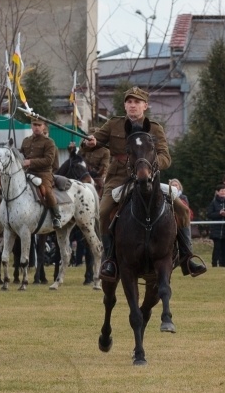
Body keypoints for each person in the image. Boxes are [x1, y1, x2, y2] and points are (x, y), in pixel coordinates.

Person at [81, 86, 205, 280]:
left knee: (181, 209)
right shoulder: (113, 125)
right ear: (124, 105)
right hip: (118, 178)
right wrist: (88, 143)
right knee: (103, 212)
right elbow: (93, 143)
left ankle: (188, 257)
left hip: (147, 178)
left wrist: (150, 165)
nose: (132, 105)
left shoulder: (155, 128)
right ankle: (110, 260)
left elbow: (165, 156)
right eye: (129, 102)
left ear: (145, 106)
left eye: (137, 102)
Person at [20, 117, 61, 229]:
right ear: (31, 126)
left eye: (39, 125)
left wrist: (30, 162)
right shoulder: (26, 141)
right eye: (34, 125)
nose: (36, 127)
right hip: (27, 173)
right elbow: (21, 155)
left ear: (44, 126)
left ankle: (56, 216)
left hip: (43, 173)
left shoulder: (49, 142)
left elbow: (49, 161)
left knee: (47, 191)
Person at [207, 184, 225, 267]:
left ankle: (224, 264)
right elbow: (209, 214)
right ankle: (214, 264)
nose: (223, 192)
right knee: (217, 248)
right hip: (216, 229)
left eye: (224, 190)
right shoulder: (214, 202)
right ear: (217, 192)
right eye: (221, 190)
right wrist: (219, 213)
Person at [82, 126, 110, 197]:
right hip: (84, 172)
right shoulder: (84, 147)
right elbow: (79, 158)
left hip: (98, 175)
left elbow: (104, 166)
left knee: (102, 186)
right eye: (89, 138)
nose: (90, 140)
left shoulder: (105, 150)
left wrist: (96, 173)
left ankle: (99, 201)